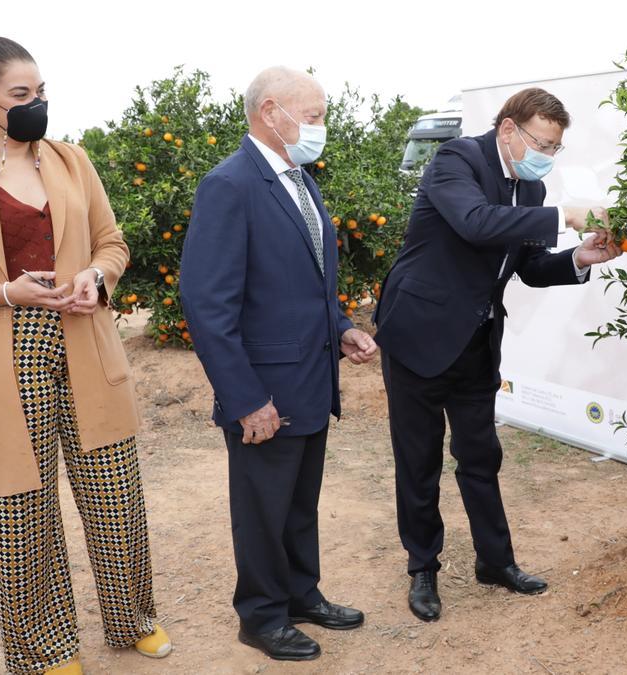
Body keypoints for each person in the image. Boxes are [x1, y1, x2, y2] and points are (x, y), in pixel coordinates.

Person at [0, 36, 170, 675]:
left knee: (113, 488)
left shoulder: (73, 162)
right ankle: (43, 646)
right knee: (23, 506)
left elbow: (112, 241)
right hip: (3, 348)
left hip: (82, 336)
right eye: (22, 95)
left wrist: (97, 279)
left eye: (41, 91)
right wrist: (2, 292)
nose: (37, 104)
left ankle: (132, 617)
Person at [373, 87, 620, 622]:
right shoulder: (456, 159)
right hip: (418, 335)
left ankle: (495, 561)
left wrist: (578, 256)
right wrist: (567, 215)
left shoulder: (529, 191)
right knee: (419, 461)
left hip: (477, 342)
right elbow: (476, 222)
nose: (547, 157)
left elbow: (528, 267)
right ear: (508, 130)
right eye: (542, 143)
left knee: (481, 456)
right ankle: (423, 568)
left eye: (555, 149)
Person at [180, 66, 378, 662]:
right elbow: (207, 305)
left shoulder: (300, 180)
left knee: (298, 501)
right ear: (272, 113)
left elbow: (308, 282)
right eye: (313, 116)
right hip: (264, 388)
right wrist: (244, 398)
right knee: (263, 508)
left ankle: (300, 594)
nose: (320, 128)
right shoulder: (230, 185)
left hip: (310, 378)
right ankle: (261, 616)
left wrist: (342, 327)